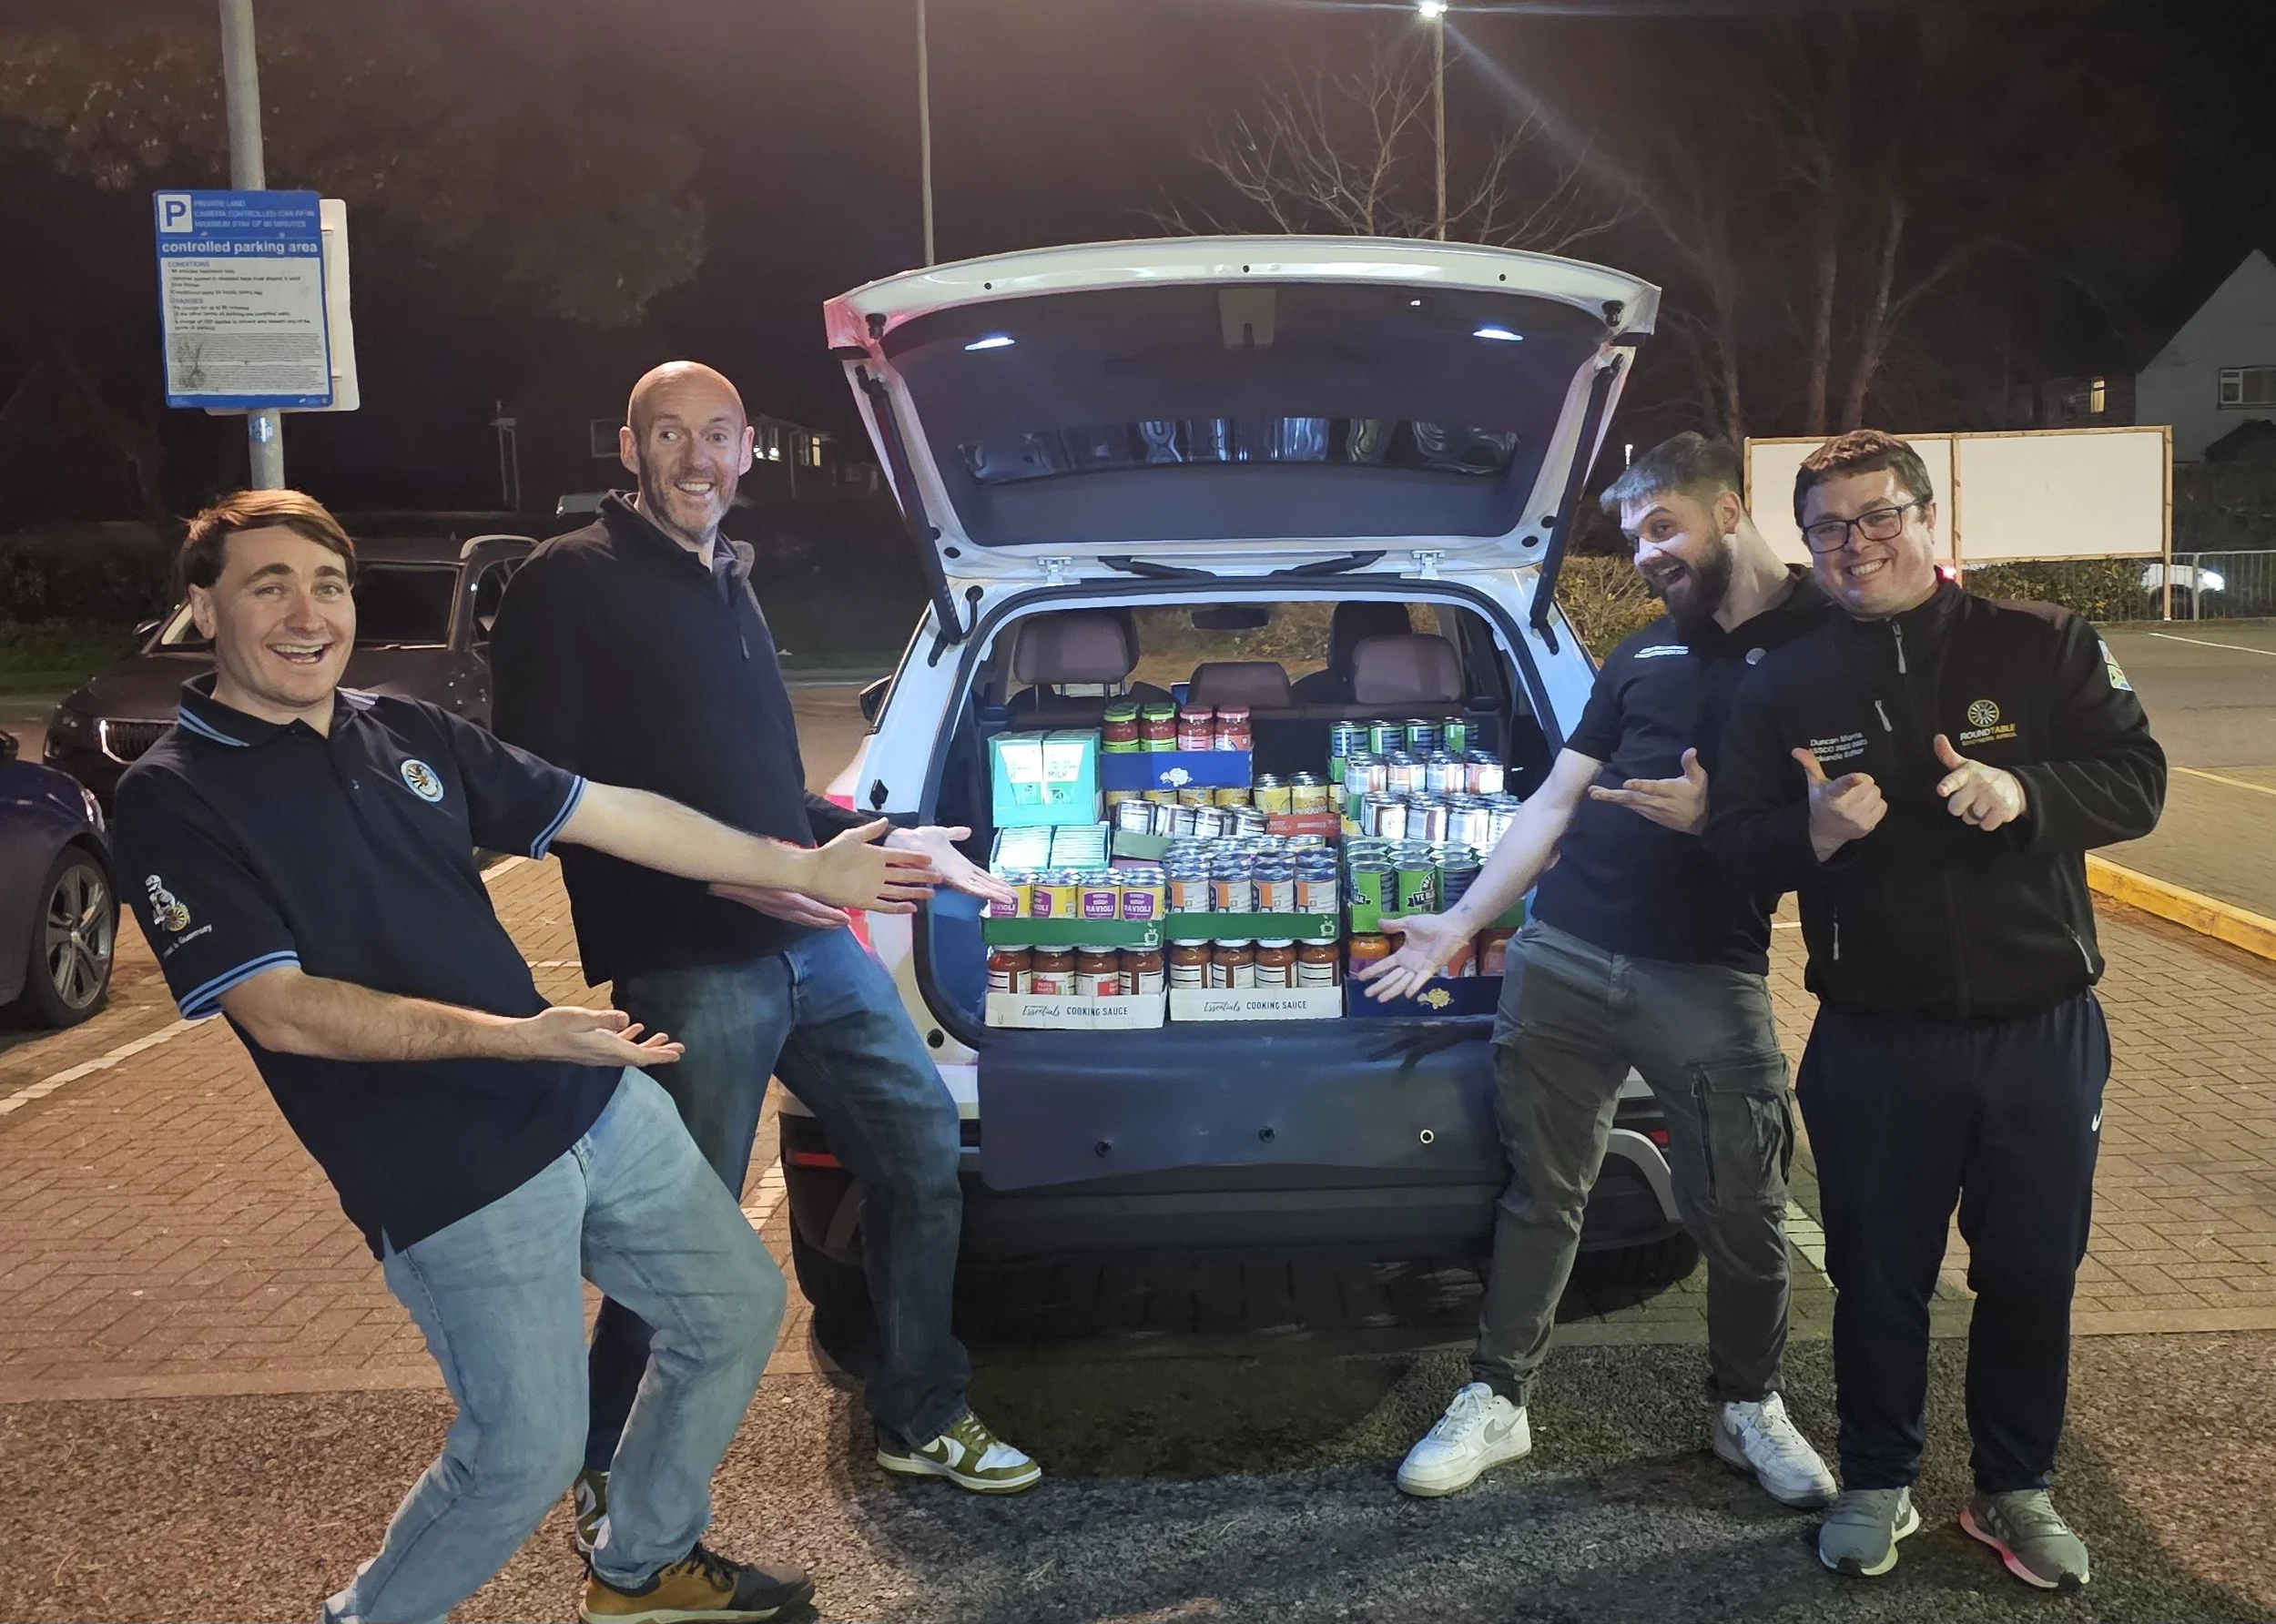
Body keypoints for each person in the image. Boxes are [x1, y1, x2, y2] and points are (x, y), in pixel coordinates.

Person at [112, 491, 942, 1624]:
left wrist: (807, 863)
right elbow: (284, 1010)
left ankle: (641, 1567)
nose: (307, 614)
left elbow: (615, 812)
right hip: (444, 1166)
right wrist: (523, 1033)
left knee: (734, 1306)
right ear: (202, 607)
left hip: (582, 1097)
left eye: (329, 585)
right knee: (525, 1451)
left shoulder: (402, 728)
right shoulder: (171, 794)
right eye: (269, 586)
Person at [489, 361, 1041, 1546]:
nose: (700, 458)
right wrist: (748, 875)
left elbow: (760, 795)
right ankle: (599, 1469)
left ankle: (920, 1411)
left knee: (920, 1151)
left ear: (748, 452)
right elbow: (542, 799)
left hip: (811, 951)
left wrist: (874, 838)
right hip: (693, 959)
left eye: (720, 436)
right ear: (629, 450)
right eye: (672, 435)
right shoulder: (566, 584)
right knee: (678, 1228)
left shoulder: (724, 580)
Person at [1706, 430, 2165, 1589]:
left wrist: (2025, 789)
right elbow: (1730, 849)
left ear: (1925, 515)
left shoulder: (2040, 643)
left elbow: (2138, 778)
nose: (1855, 544)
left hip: (2041, 1030)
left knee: (2028, 1271)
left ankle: (2014, 1488)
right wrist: (1808, 835)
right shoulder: (1782, 681)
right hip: (1874, 1035)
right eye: (1827, 528)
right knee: (1878, 1274)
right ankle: (1877, 1475)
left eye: (1877, 516)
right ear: (1803, 544)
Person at [1359, 432, 1837, 1507]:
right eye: (1633, 537)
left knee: (1744, 1208)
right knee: (1543, 1193)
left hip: (1705, 972)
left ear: (1728, 509)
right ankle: (1499, 1396)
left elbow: (1849, 811)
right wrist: (1464, 920)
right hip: (1564, 953)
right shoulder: (1639, 654)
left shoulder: (1822, 638)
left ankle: (1746, 1404)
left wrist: (1723, 817)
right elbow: (1555, 801)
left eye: (1662, 525)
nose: (1646, 553)